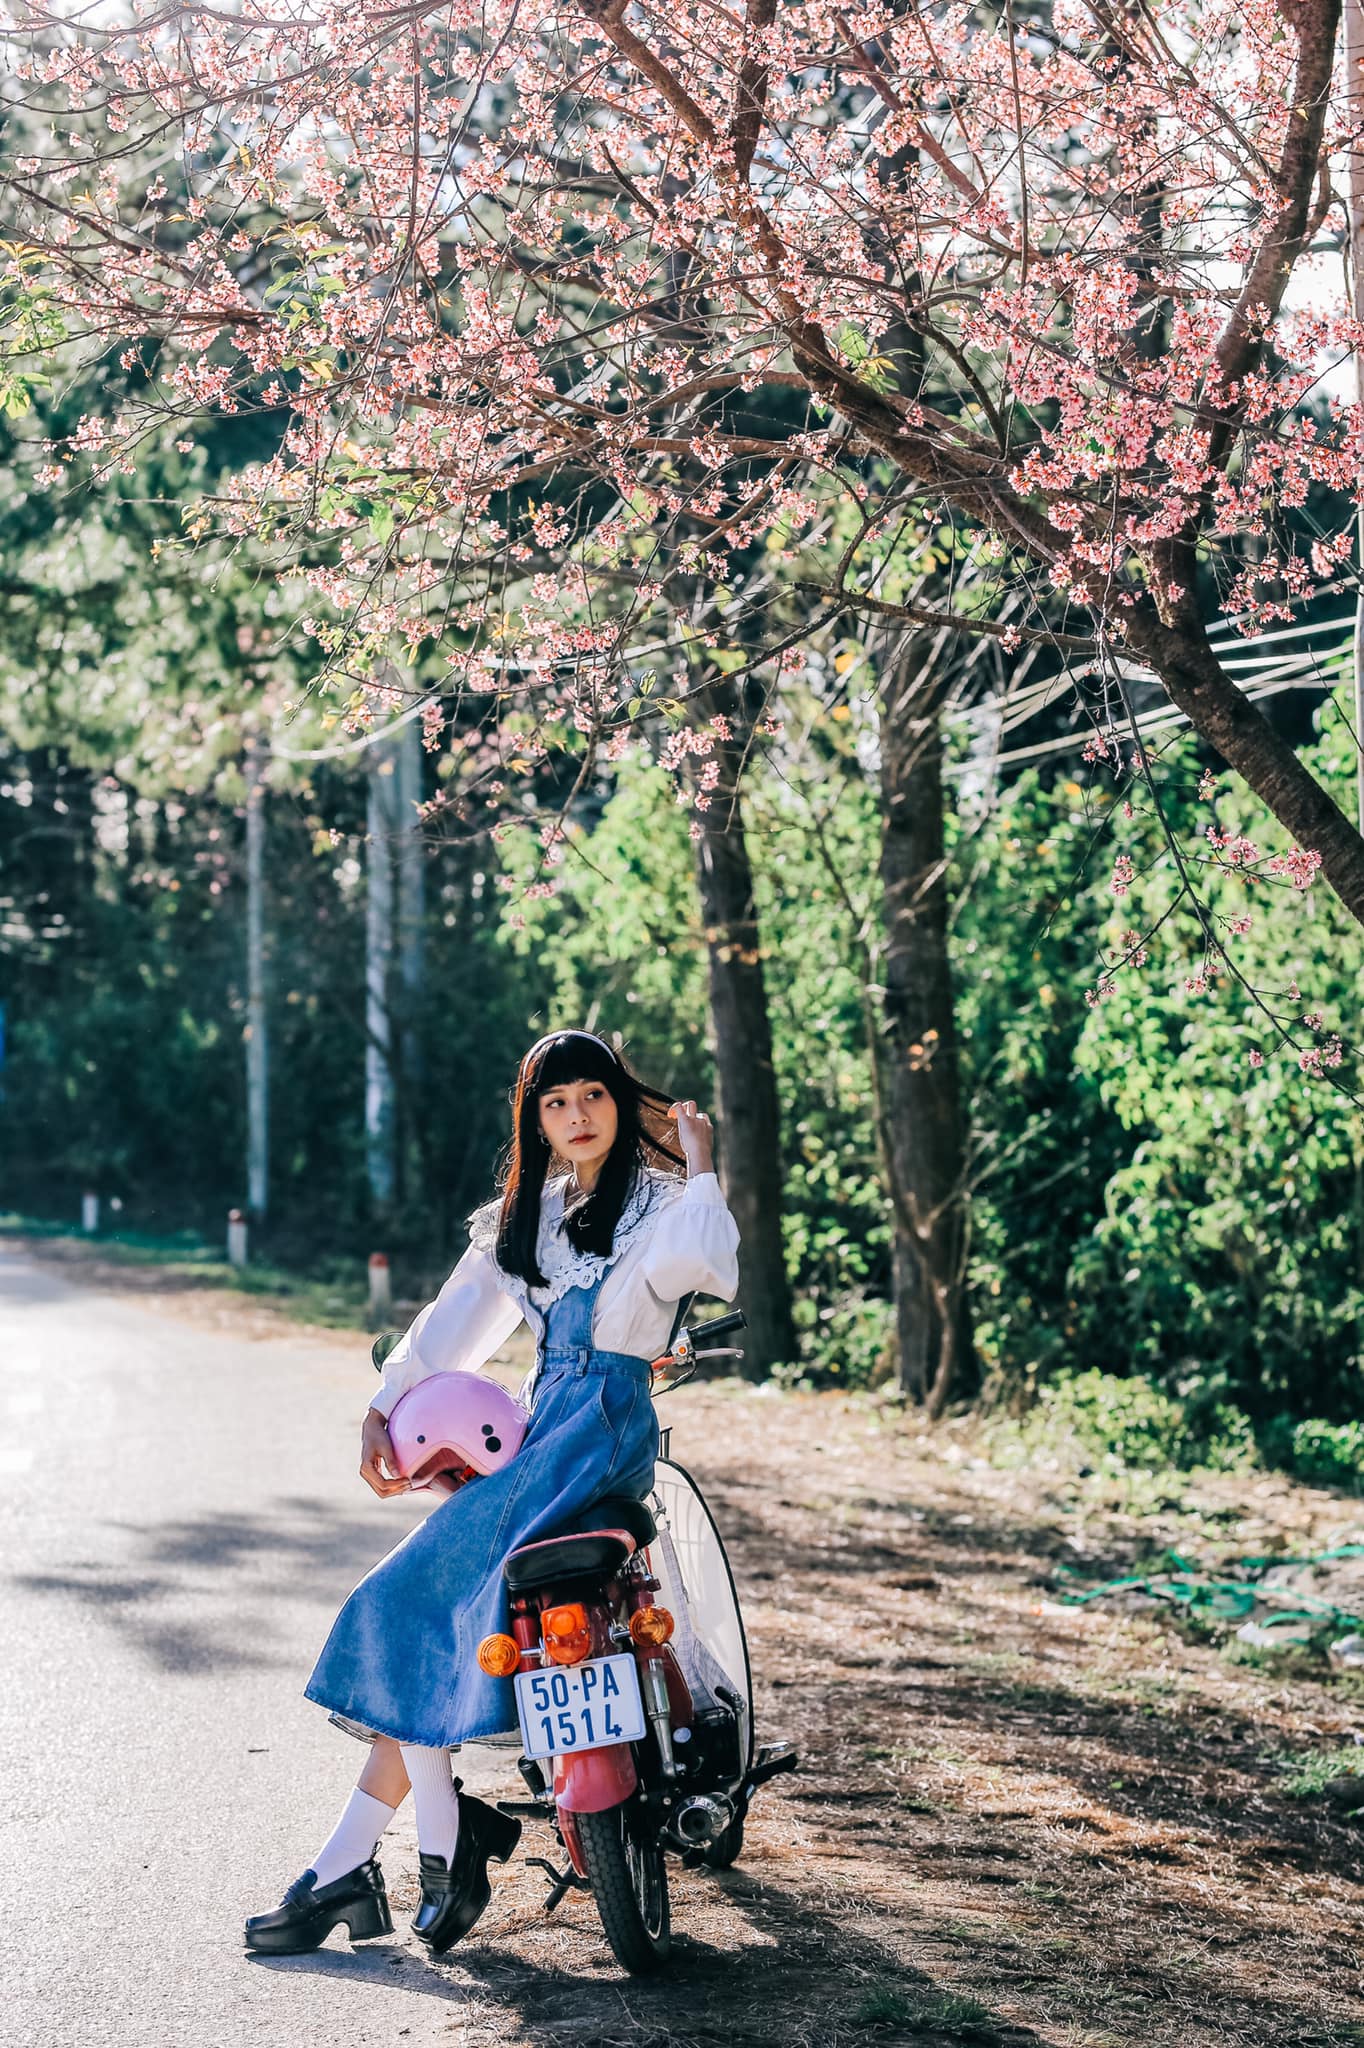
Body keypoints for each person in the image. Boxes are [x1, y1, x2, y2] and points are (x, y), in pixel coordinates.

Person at [245, 1029, 740, 1956]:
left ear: (618, 1103)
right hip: (543, 1428)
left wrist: (701, 1160)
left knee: (413, 1601)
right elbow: (452, 1326)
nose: (576, 1116)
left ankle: (423, 1850)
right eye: (555, 1103)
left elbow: (709, 1264)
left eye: (592, 1095)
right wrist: (382, 1408)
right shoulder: (530, 1218)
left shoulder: (662, 1204)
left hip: (600, 1432)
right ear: (535, 1120)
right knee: (424, 1609)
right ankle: (397, 1854)